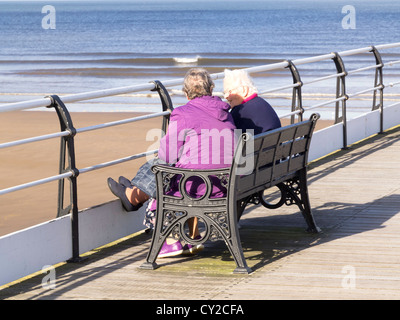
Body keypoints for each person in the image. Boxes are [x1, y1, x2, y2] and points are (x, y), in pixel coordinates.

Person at [107, 68, 237, 258]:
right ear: (211, 89)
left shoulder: (183, 113)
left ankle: (169, 240)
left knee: (163, 168)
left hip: (200, 186)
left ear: (186, 93)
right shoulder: (225, 111)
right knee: (181, 162)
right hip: (227, 183)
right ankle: (135, 193)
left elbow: (167, 156)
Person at [223, 69, 281, 135]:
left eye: (229, 91)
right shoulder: (262, 103)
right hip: (274, 144)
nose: (226, 96)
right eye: (224, 93)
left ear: (244, 90)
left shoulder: (239, 111)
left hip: (258, 145)